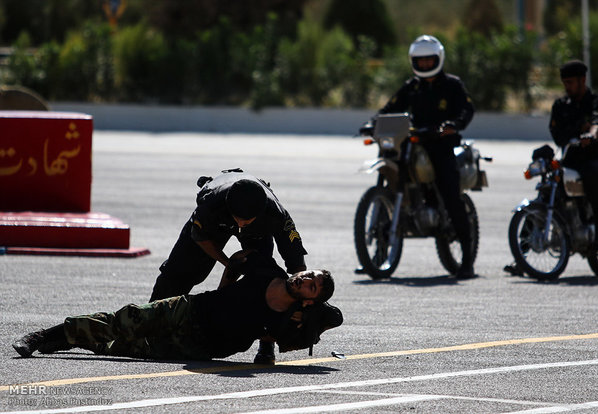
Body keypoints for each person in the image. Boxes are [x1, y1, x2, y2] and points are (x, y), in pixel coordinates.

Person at [13, 252, 340, 361]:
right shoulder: (268, 269)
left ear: (310, 298)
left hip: (201, 346)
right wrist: (225, 287)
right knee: (129, 318)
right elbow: (239, 259)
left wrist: (306, 323)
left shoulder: (285, 319)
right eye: (307, 274)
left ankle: (71, 340)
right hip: (192, 308)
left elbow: (291, 339)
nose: (303, 279)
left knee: (128, 348)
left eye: (310, 285)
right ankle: (45, 336)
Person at [150, 168, 308, 364]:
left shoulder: (276, 215)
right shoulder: (211, 203)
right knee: (178, 272)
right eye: (238, 218)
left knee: (266, 281)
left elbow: (297, 262)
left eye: (246, 220)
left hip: (258, 231)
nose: (241, 224)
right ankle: (151, 321)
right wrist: (228, 263)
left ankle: (267, 344)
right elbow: (200, 237)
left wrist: (299, 301)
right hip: (216, 224)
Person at [364, 34, 476, 279]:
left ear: (439, 59)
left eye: (429, 60)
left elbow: (468, 109)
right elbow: (389, 108)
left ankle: (467, 261)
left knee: (450, 194)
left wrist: (454, 124)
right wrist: (372, 123)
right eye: (420, 61)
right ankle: (377, 258)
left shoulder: (452, 85)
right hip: (412, 143)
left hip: (441, 145)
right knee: (390, 184)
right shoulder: (412, 86)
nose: (424, 65)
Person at [550, 60, 598, 249]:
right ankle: (525, 247)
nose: (567, 87)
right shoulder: (561, 106)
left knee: (591, 171)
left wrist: (591, 135)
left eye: (570, 82)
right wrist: (577, 129)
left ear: (582, 80)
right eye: (565, 83)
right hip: (572, 160)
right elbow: (557, 134)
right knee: (549, 180)